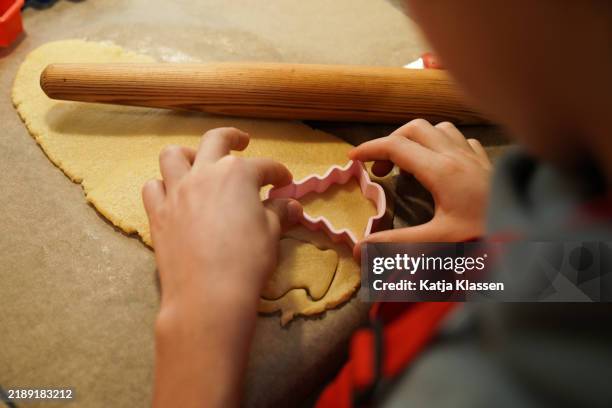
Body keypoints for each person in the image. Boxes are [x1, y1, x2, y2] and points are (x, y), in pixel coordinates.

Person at [142, 1, 612, 406]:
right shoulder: (574, 211)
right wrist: (485, 248)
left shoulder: (476, 386)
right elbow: (582, 278)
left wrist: (198, 325)